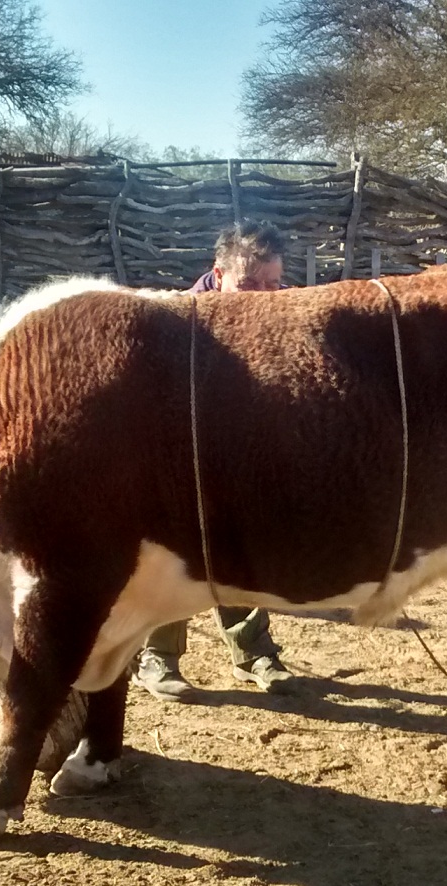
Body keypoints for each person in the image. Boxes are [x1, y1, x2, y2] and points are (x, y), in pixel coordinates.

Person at [132, 221, 295, 701]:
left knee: (241, 552)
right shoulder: (176, 321)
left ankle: (254, 652)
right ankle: (157, 657)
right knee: (173, 555)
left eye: (273, 284)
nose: (263, 297)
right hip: (178, 461)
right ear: (219, 273)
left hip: (243, 458)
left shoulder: (285, 316)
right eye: (250, 284)